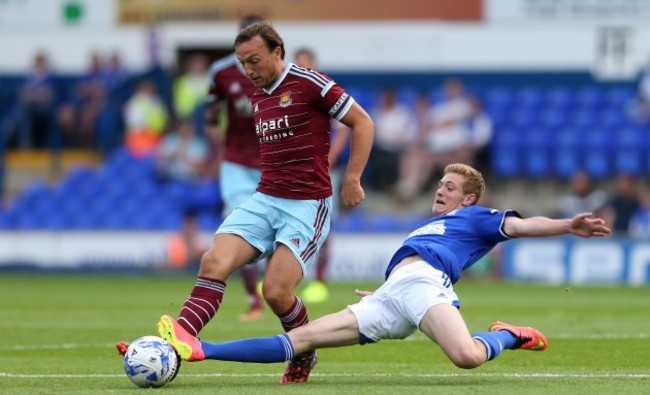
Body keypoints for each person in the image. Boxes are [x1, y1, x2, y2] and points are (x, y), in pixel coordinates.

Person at [156, 163, 611, 383]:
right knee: (304, 338)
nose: (441, 189)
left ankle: (509, 335)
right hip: (392, 295)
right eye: (440, 184)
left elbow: (521, 224)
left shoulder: (476, 217)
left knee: (467, 357)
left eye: (450, 188)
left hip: (422, 286)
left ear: (469, 199)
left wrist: (568, 225)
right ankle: (198, 349)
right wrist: (392, 284)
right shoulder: (431, 225)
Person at [121, 20, 375, 384]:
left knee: (275, 291)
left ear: (277, 51)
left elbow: (363, 122)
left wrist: (351, 178)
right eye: (242, 63)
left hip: (306, 204)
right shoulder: (257, 98)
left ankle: (304, 352)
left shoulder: (311, 83)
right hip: (265, 197)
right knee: (214, 260)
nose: (248, 70)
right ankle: (176, 338)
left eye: (254, 60)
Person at [203, 14, 265, 322]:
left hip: (273, 162)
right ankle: (254, 298)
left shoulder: (283, 70)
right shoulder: (222, 72)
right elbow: (212, 117)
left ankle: (279, 291)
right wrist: (219, 149)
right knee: (239, 225)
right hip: (237, 162)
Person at [293, 47, 351, 303]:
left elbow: (344, 129)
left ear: (314, 65)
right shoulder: (288, 93)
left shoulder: (325, 91)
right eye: (299, 64)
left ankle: (319, 280)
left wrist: (328, 160)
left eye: (307, 64)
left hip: (322, 170)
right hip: (295, 169)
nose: (303, 69)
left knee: (324, 225)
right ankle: (287, 277)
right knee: (290, 223)